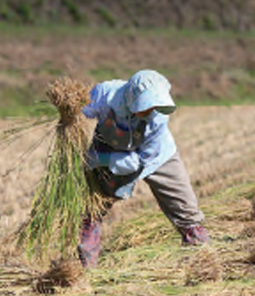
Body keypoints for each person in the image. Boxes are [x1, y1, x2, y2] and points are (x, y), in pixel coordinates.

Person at [77, 69, 209, 268]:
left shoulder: (158, 118)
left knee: (185, 208)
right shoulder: (105, 94)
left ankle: (202, 261)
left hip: (156, 157)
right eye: (146, 107)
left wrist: (110, 161)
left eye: (154, 106)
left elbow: (139, 161)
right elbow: (79, 111)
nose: (150, 111)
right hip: (109, 145)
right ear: (132, 99)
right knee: (92, 210)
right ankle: (86, 268)